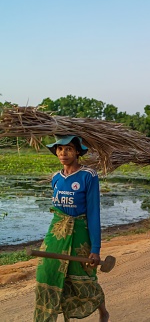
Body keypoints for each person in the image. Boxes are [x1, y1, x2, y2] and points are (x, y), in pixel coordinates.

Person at [34, 135, 109, 322]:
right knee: (47, 271)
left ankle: (103, 311)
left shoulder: (88, 176)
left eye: (68, 149)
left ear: (77, 151)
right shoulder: (56, 178)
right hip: (57, 231)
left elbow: (93, 213)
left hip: (80, 231)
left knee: (81, 276)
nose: (63, 153)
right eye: (59, 149)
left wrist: (95, 249)